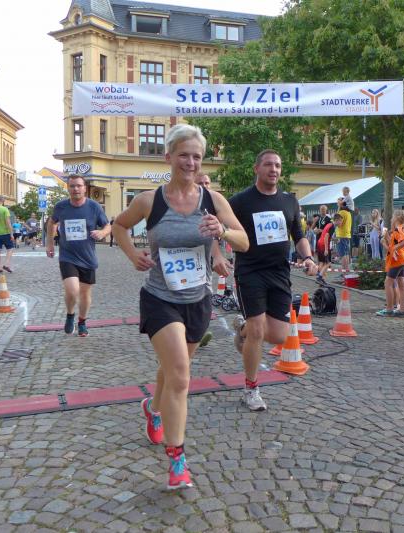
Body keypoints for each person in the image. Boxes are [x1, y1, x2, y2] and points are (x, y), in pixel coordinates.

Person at [114, 124, 248, 490]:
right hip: (160, 299)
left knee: (172, 370)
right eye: (183, 155)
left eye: (197, 156)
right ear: (168, 157)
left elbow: (244, 241)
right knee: (180, 376)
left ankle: (153, 409)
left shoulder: (213, 201)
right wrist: (132, 254)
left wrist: (222, 232)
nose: (190, 162)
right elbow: (119, 226)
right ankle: (178, 461)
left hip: (197, 300)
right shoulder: (149, 201)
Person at [230, 149, 318, 412]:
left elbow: (299, 235)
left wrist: (308, 257)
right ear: (256, 168)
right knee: (258, 331)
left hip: (279, 273)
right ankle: (251, 389)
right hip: (250, 271)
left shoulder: (290, 201)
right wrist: (217, 256)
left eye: (278, 165)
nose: (274, 169)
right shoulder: (240, 201)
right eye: (268, 164)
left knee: (279, 336)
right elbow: (219, 230)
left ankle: (242, 330)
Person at [46, 175, 111, 337]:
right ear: (68, 188)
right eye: (72, 186)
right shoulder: (61, 207)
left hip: (88, 257)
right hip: (67, 256)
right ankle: (70, 315)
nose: (76, 189)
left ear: (84, 188)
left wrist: (102, 233)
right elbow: (51, 222)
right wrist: (50, 243)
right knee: (72, 290)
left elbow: (107, 225)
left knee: (85, 293)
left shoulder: (94, 207)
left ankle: (82, 322)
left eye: (79, 186)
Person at [194, 172, 232, 348]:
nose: (204, 186)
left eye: (207, 183)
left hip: (205, 259)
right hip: (187, 258)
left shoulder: (215, 203)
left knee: (204, 294)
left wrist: (217, 255)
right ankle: (189, 334)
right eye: (200, 183)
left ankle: (199, 332)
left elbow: (217, 233)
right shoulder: (186, 203)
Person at [377, 210, 404, 316]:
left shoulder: (398, 229)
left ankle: (389, 309)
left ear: (397, 218)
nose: (391, 219)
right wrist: (386, 239)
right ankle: (402, 310)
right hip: (402, 259)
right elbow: (393, 246)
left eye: (393, 217)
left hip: (397, 260)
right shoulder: (399, 229)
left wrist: (394, 248)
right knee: (402, 284)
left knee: (388, 283)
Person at [316, 213, 338, 283]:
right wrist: (326, 249)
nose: (341, 223)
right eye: (341, 221)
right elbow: (326, 236)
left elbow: (326, 235)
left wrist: (334, 239)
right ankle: (319, 277)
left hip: (319, 243)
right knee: (328, 263)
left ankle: (321, 278)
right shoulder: (332, 226)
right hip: (324, 245)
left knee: (322, 262)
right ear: (337, 220)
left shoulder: (329, 224)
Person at [335, 199, 352, 276]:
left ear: (341, 204)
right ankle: (346, 271)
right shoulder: (348, 213)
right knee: (346, 254)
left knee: (342, 255)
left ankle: (344, 273)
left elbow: (339, 223)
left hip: (341, 235)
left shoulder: (341, 212)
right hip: (347, 235)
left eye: (338, 202)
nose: (337, 203)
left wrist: (333, 223)